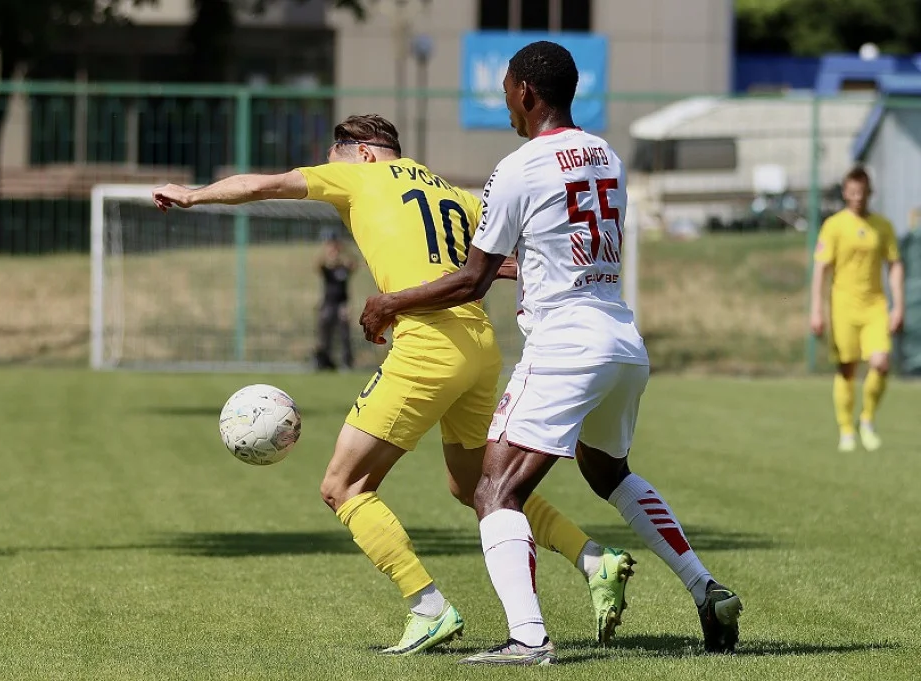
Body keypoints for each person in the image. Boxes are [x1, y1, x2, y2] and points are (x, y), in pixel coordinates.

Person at [152, 114, 634, 656]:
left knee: (343, 486)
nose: (329, 173)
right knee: (475, 484)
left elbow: (262, 185)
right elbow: (498, 261)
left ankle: (428, 608)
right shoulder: (448, 190)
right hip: (479, 347)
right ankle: (594, 558)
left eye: (332, 161)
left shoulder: (359, 175)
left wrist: (193, 195)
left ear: (360, 153)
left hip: (428, 347)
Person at [360, 41, 742, 666]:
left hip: (565, 343)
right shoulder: (607, 155)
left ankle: (528, 638)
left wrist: (390, 303)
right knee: (608, 472)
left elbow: (472, 280)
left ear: (526, 92)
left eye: (508, 92)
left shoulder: (518, 167)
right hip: (621, 338)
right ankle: (705, 587)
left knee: (493, 489)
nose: (507, 106)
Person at [810, 167, 904, 452]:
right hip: (843, 307)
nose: (857, 197)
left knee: (881, 363)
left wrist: (898, 305)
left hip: (875, 305)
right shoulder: (834, 226)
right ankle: (846, 430)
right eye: (852, 192)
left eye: (861, 192)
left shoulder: (882, 226)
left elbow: (894, 265)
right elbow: (821, 268)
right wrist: (816, 309)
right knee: (847, 368)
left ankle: (867, 419)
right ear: (844, 193)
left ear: (869, 192)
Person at [314, 229, 356, 371]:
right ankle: (324, 360)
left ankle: (347, 362)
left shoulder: (344, 266)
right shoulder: (327, 267)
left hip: (342, 304)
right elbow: (317, 265)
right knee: (324, 333)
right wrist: (328, 254)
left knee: (344, 334)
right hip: (328, 303)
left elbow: (354, 264)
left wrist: (343, 252)